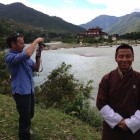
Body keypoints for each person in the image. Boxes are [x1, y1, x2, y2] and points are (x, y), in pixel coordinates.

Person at [96, 43, 140, 140]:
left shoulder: (139, 78)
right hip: (111, 130)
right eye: (121, 56)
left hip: (134, 131)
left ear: (133, 58)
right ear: (116, 58)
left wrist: (130, 123)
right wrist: (119, 121)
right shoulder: (107, 79)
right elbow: (101, 103)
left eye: (128, 56)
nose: (124, 60)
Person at [5, 33, 44, 140]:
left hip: (29, 89)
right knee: (24, 119)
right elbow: (27, 53)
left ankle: (26, 127)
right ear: (13, 44)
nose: (23, 45)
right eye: (21, 43)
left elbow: (36, 68)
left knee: (30, 113)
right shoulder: (10, 57)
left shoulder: (23, 55)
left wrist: (38, 54)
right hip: (21, 92)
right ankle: (24, 133)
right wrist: (36, 41)